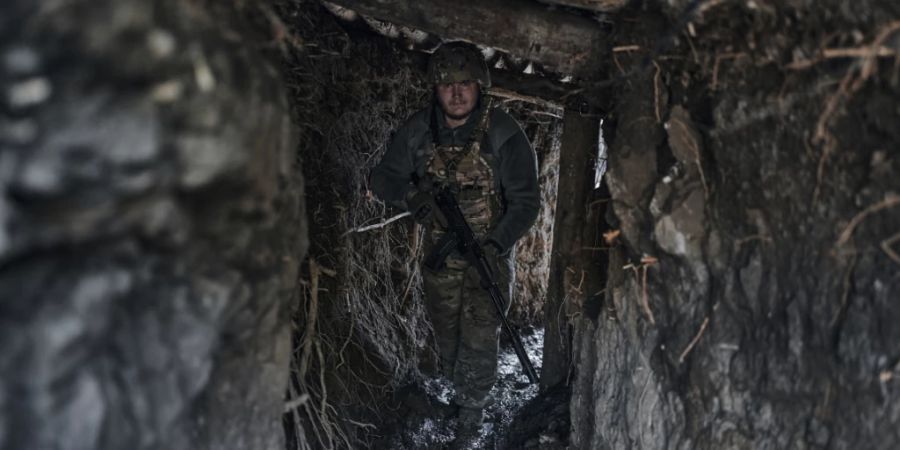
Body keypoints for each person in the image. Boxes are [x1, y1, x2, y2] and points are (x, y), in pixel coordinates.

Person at [370, 41, 539, 447]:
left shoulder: (502, 132)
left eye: (465, 83)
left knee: (480, 335)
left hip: (488, 256)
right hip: (440, 257)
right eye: (447, 85)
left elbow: (526, 202)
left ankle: (470, 422)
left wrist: (496, 245)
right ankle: (457, 397)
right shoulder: (418, 130)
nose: (457, 93)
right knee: (449, 336)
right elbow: (383, 179)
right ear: (435, 88)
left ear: (480, 86)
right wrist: (412, 198)